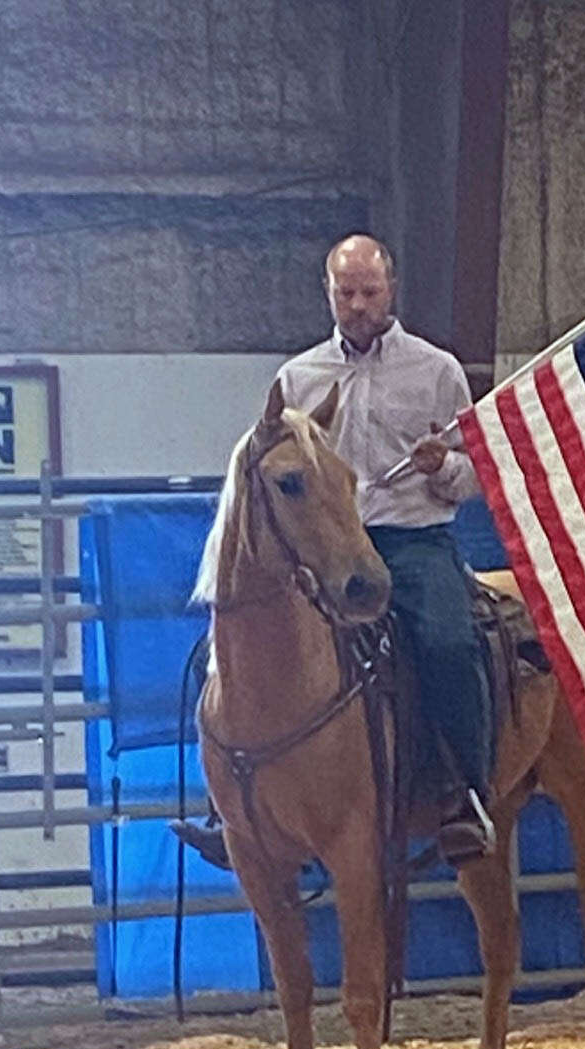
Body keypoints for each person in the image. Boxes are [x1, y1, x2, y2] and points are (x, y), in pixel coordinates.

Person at [175, 234, 495, 865]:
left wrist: (440, 469)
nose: (357, 304)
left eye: (369, 292)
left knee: (449, 641)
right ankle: (230, 803)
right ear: (329, 292)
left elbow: (477, 472)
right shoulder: (297, 378)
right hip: (317, 551)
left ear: (391, 291)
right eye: (345, 292)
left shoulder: (438, 371)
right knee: (231, 650)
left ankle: (466, 794)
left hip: (410, 539)